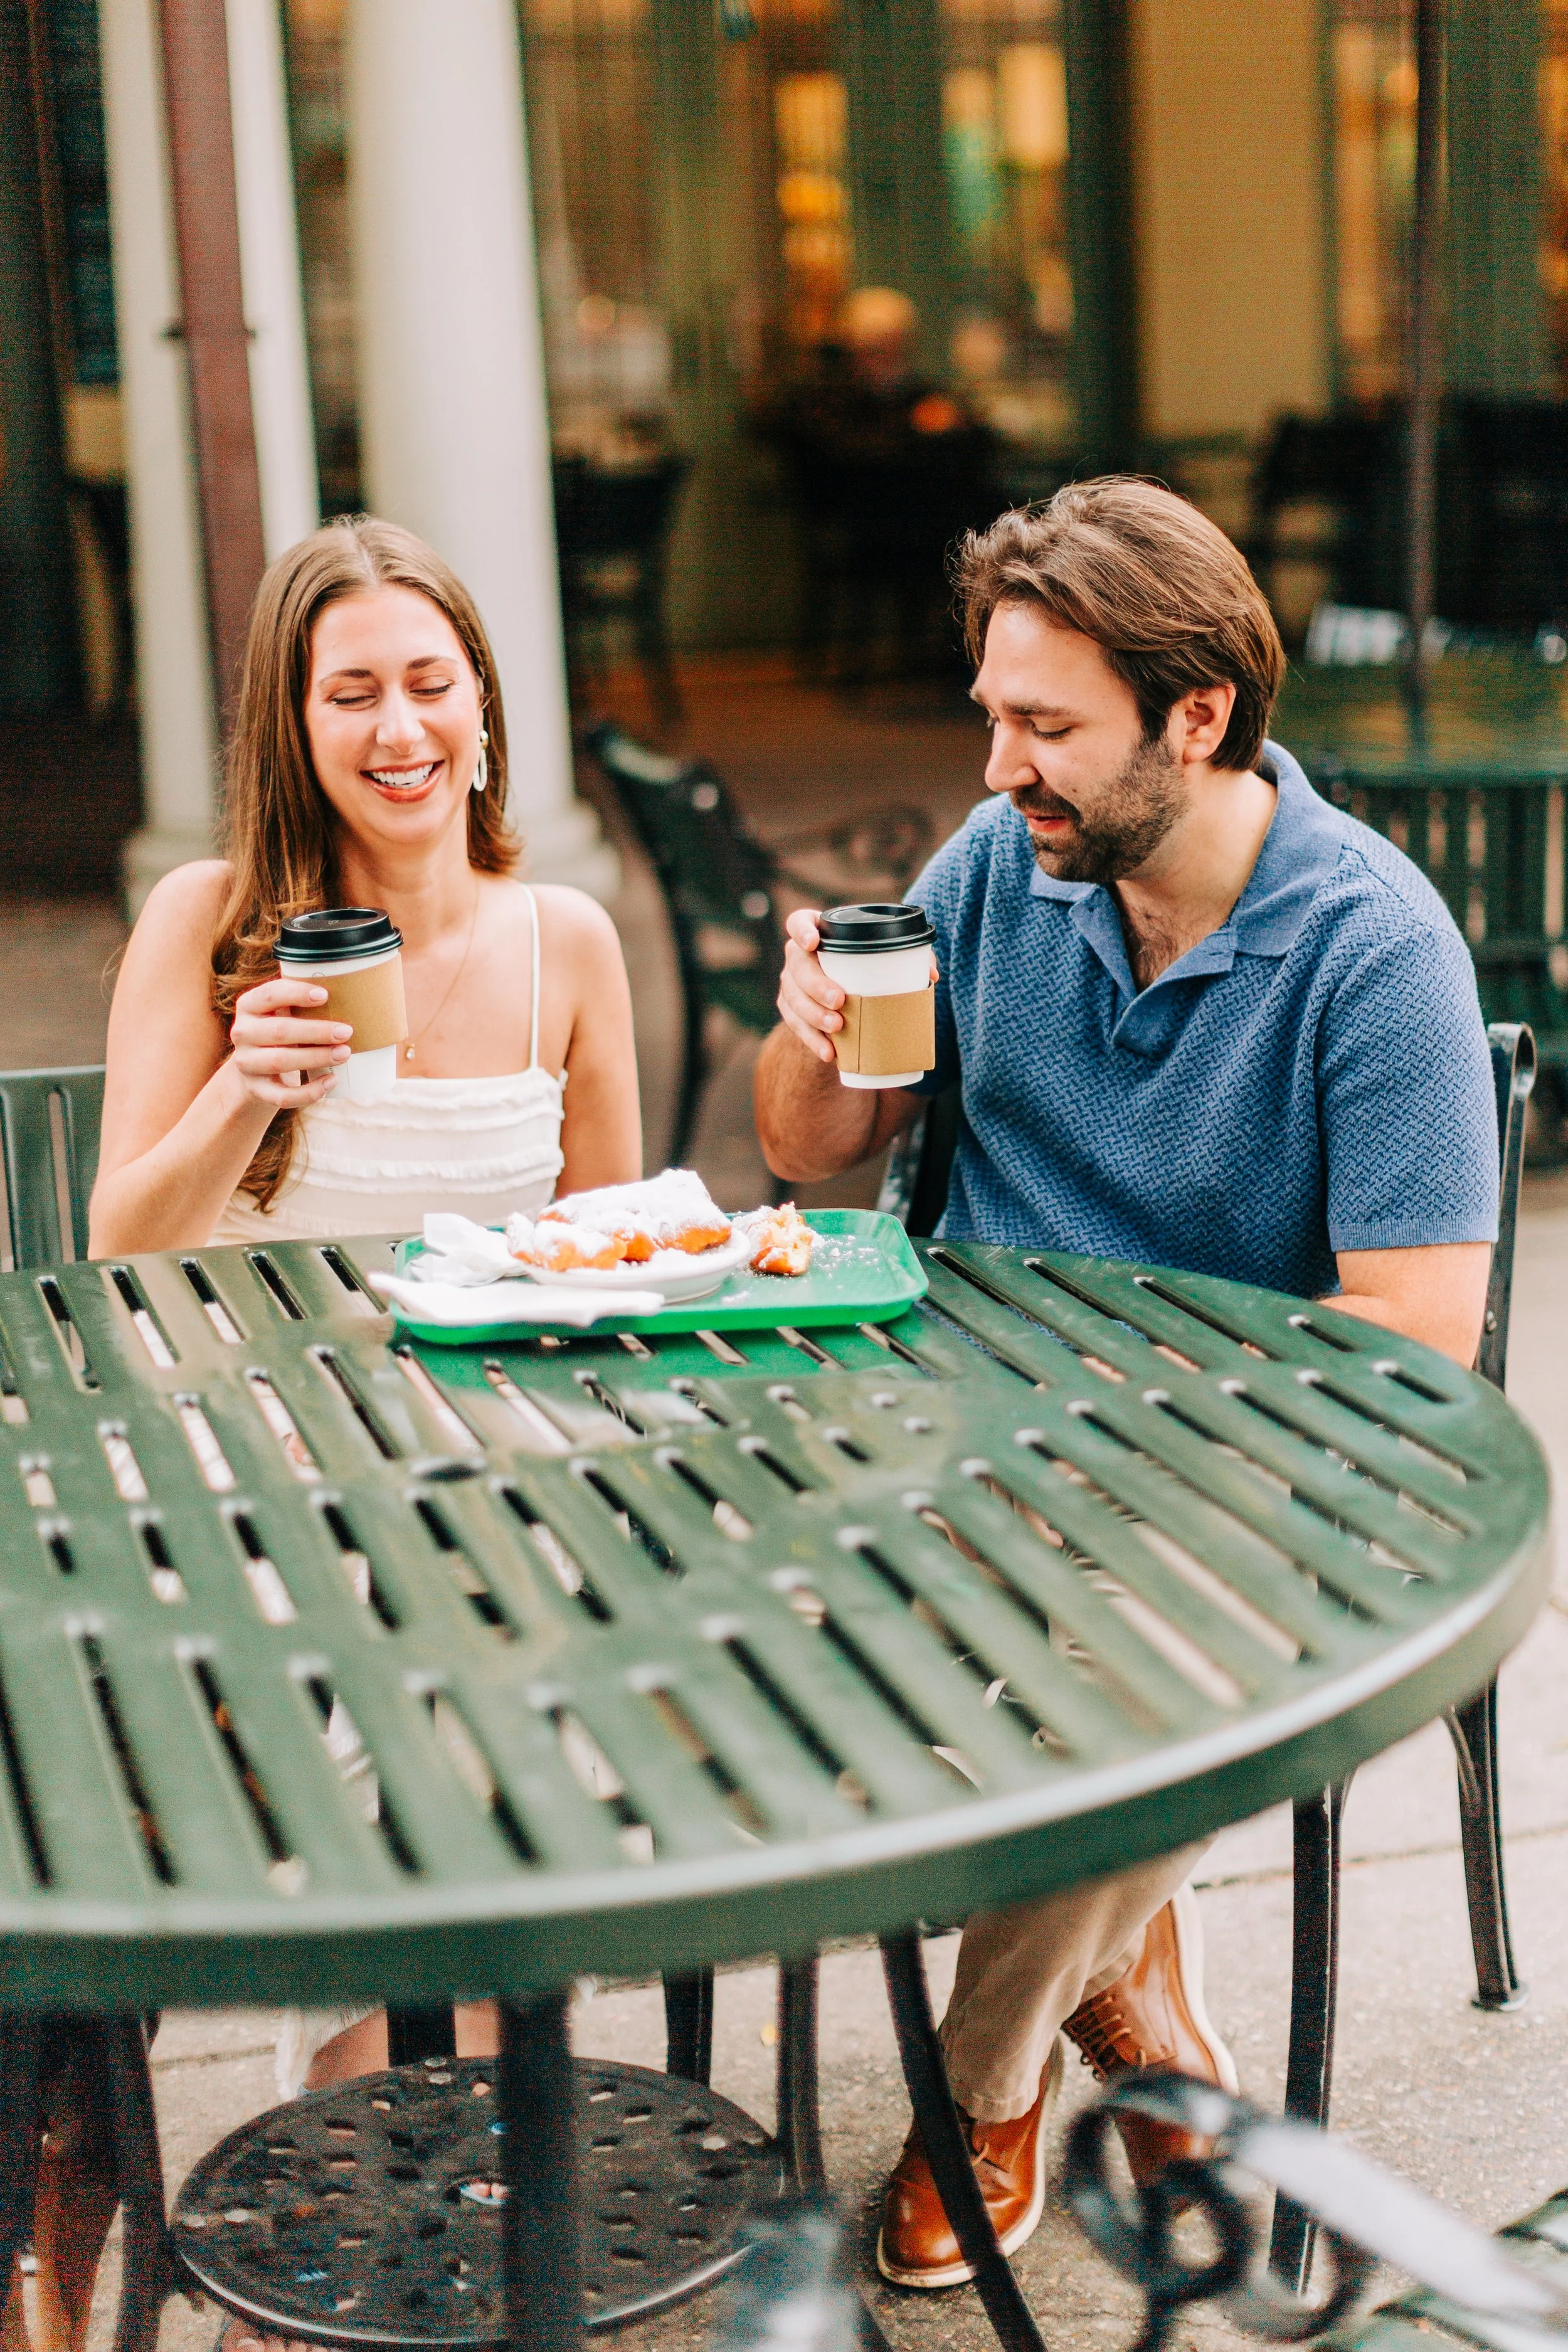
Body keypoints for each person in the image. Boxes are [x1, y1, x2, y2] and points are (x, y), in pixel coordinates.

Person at [753, 478, 1498, 2289]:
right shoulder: (1000, 868)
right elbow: (808, 1153)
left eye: (1044, 726)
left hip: (1236, 1481)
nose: (999, 764)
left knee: (1113, 1692)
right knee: (717, 1661)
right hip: (936, 1429)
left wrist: (1145, 1425)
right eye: (991, 714)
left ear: (1197, 716)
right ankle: (1129, 1982)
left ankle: (977, 2090)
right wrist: (812, 1034)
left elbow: (1413, 1322)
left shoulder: (1368, 947)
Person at [80, 515, 641, 2351]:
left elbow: (617, 1253)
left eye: (427, 682)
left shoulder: (565, 939)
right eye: (351, 692)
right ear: (292, 720)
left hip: (494, 1461)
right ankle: (360, 2215)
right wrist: (249, 1080)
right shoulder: (209, 914)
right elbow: (117, 1252)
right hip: (247, 1455)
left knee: (481, 1669)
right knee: (396, 1687)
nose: (396, 725)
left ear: (481, 708)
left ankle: (349, 2230)